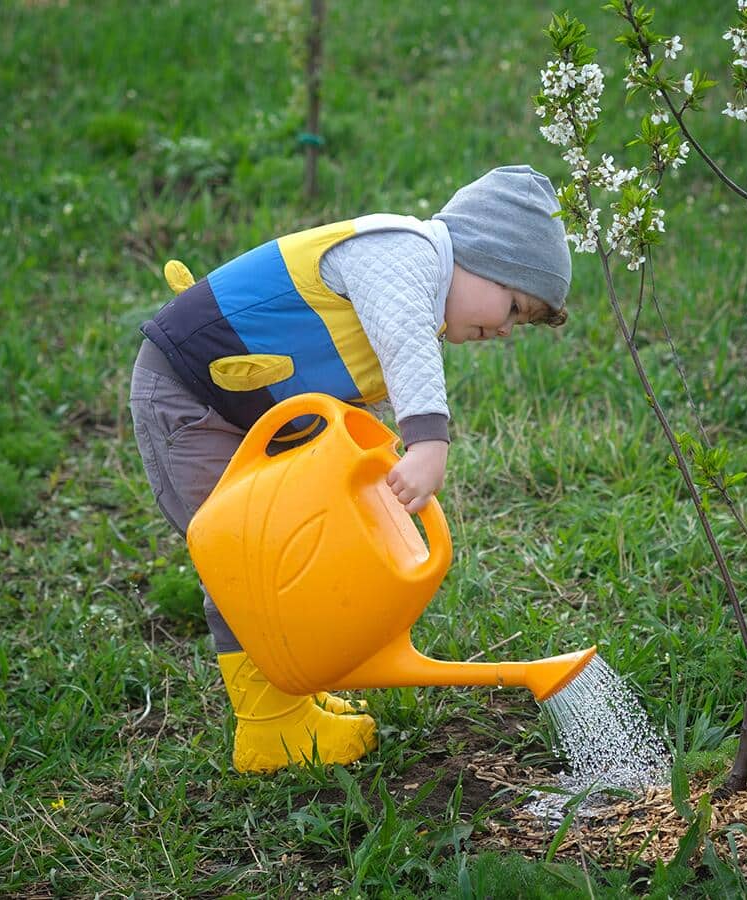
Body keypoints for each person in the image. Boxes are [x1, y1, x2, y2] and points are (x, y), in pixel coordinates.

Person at [129, 165, 571, 773]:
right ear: (480, 255)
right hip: (190, 397)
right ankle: (272, 729)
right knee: (244, 558)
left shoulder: (416, 284)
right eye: (514, 305)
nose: (504, 328)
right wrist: (427, 442)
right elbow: (404, 335)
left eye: (520, 323)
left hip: (243, 412)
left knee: (277, 546)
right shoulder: (400, 251)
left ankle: (290, 696)